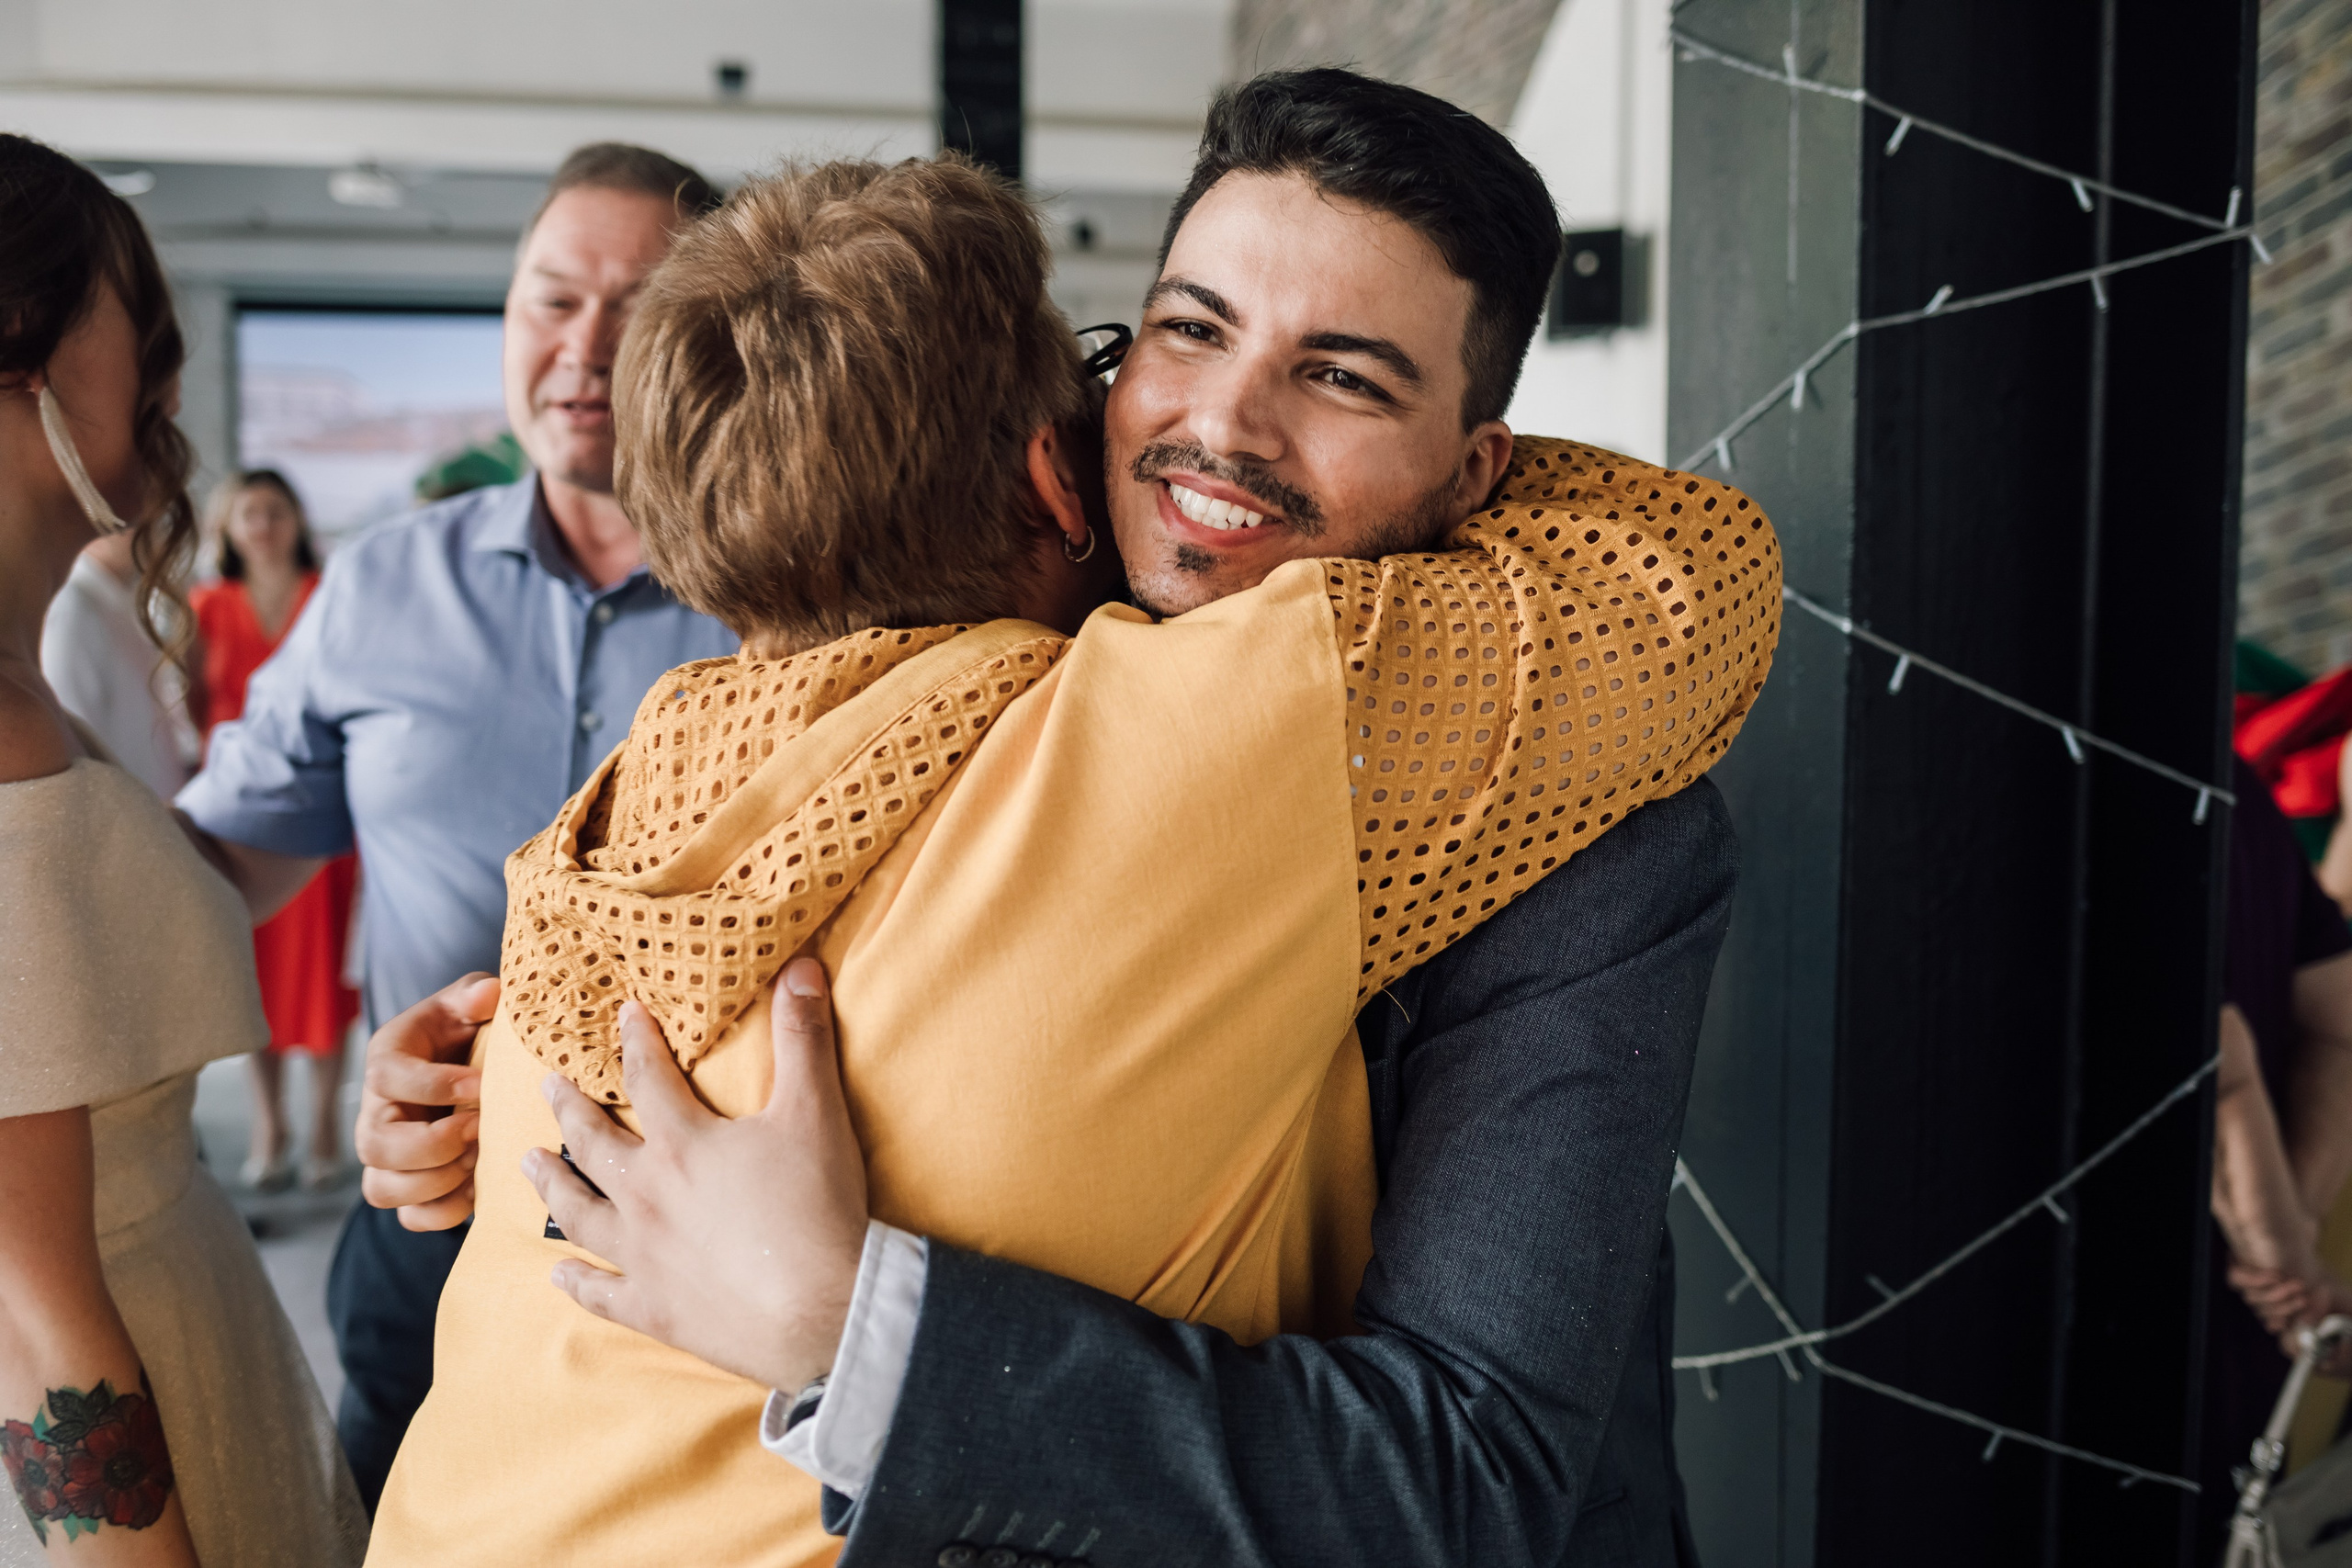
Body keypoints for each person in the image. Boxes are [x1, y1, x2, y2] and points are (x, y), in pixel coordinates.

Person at [362, 72, 1775, 1566]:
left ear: (1481, 469)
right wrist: (502, 1068)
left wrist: (854, 1330)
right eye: (1191, 328)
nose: (1223, 425)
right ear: (1093, 393)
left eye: (1346, 376)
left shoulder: (1593, 811)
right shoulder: (947, 659)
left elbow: (1462, 1482)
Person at [173, 141, 739, 1510]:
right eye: (552, 299)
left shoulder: (796, 588)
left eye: (640, 307)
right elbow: (220, 864)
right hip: (420, 1210)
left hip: (695, 1257)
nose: (585, 348)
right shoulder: (378, 586)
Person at [0, 132, 366, 1567]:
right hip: (137, 1415)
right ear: (20, 357)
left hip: (199, 1337)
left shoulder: (33, 697)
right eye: (138, 330)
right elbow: (31, 1303)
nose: (167, 371)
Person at [189, 469, 360, 1191]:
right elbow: (191, 710)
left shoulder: (333, 598)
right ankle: (271, 1124)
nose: (261, 525)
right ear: (226, 529)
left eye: (274, 511)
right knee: (250, 979)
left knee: (325, 979)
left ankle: (323, 1120)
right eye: (247, 514)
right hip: (239, 822)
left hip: (326, 816)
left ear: (297, 518)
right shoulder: (204, 607)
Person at [2199, 754, 2352, 1549]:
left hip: (2159, 1327)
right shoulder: (2239, 784)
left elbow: (2217, 1067)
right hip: (2271, 1286)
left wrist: (2289, 1260)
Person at [37, 526, 198, 800]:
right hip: (127, 820)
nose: (150, 525)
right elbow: (78, 744)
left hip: (158, 810)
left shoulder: (123, 597)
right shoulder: (72, 608)